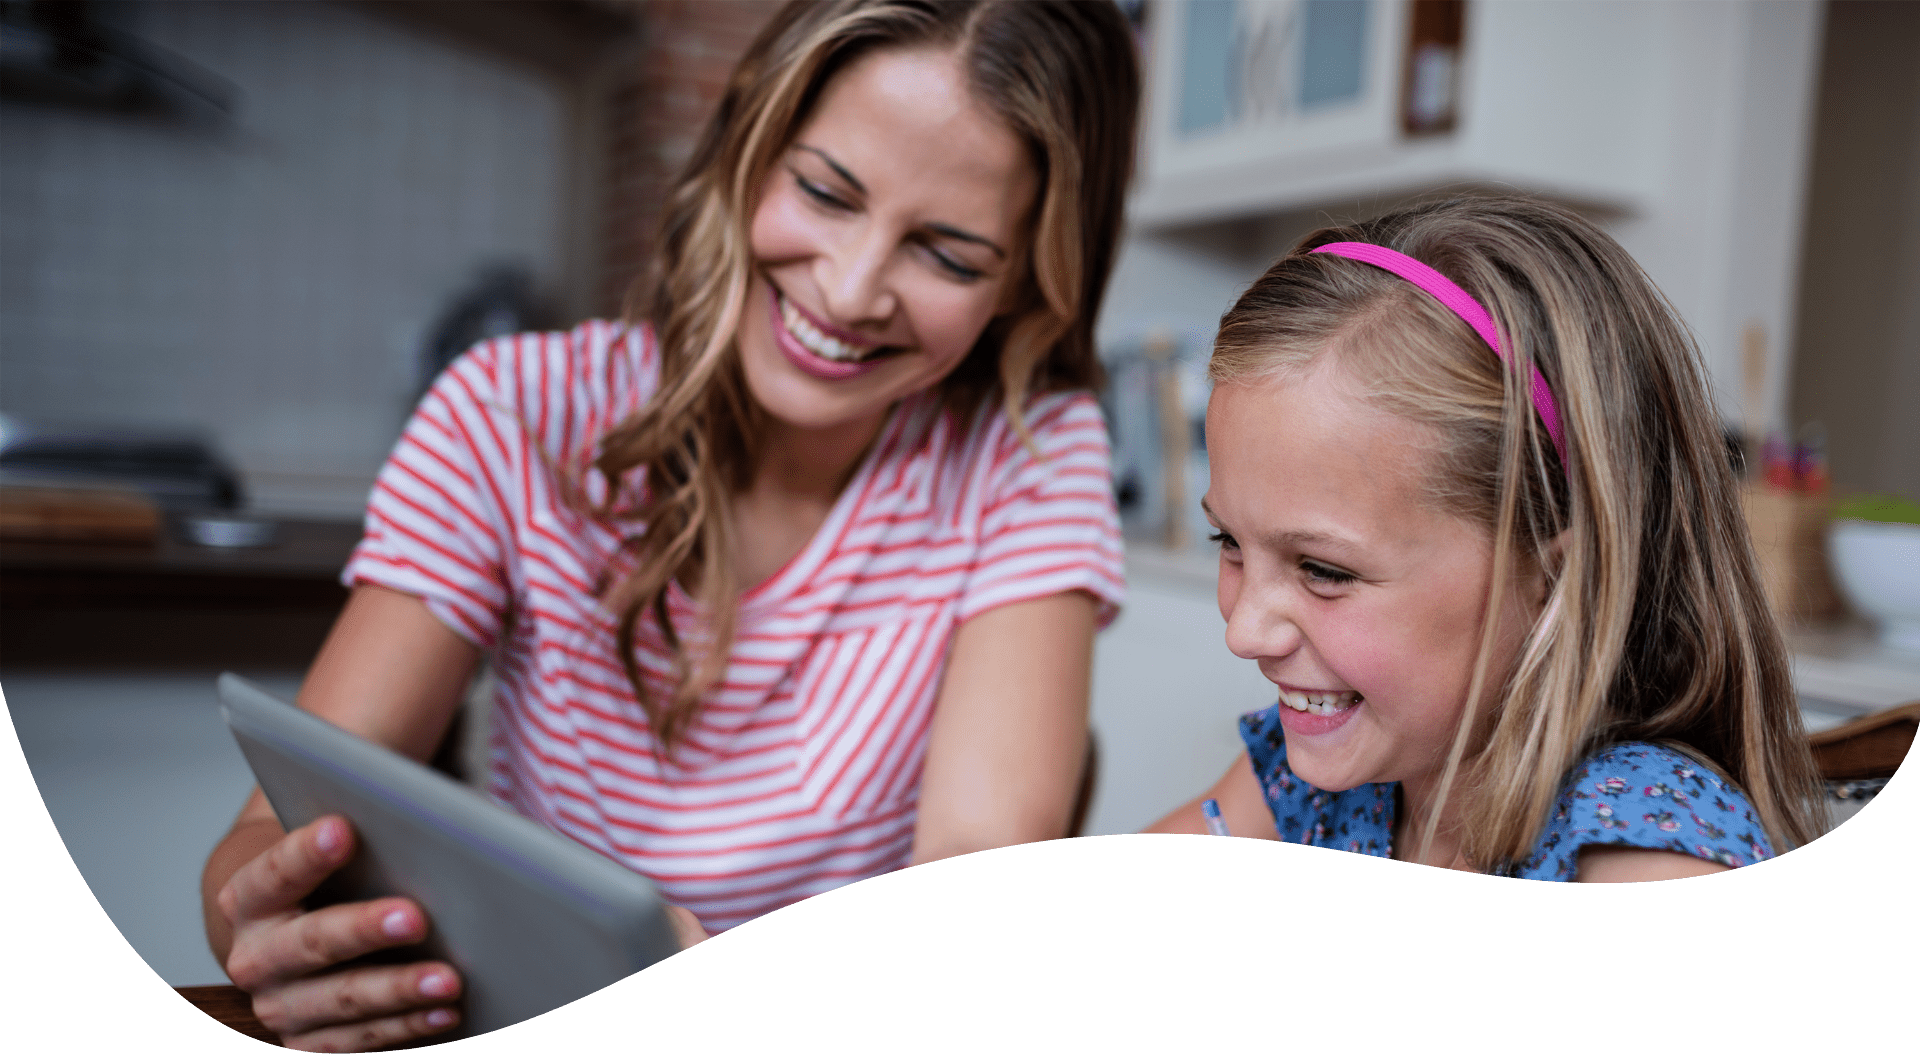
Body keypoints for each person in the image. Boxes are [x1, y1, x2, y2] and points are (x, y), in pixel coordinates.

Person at [200, 2, 1140, 1048]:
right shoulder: (510, 413)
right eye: (826, 192)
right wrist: (269, 923)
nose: (850, 287)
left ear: (1024, 288)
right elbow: (267, 836)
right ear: (745, 148)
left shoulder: (1030, 452)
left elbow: (971, 902)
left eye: (951, 256)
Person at [1147, 197, 1825, 882]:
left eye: (1322, 569)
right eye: (1227, 540)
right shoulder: (1321, 778)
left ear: (1558, 579)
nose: (1245, 631)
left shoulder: (1641, 862)